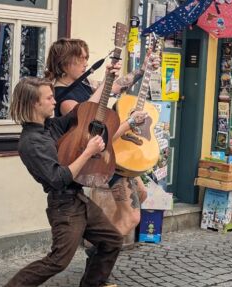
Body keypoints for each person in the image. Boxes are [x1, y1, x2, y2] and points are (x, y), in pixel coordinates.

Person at [0, 76, 123, 287]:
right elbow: (59, 178)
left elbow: (82, 111)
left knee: (112, 240)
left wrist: (108, 80)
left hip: (78, 199)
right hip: (63, 205)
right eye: (49, 97)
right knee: (59, 260)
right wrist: (88, 152)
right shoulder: (31, 143)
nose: (55, 101)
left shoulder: (50, 126)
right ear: (35, 103)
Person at [45, 38, 153, 239]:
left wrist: (142, 69)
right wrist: (130, 123)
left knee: (142, 194)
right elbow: (100, 137)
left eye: (87, 57)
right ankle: (104, 250)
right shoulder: (65, 99)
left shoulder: (82, 82)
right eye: (81, 58)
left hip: (112, 152)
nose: (86, 62)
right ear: (65, 63)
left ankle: (105, 238)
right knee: (132, 217)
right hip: (100, 158)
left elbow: (114, 87)